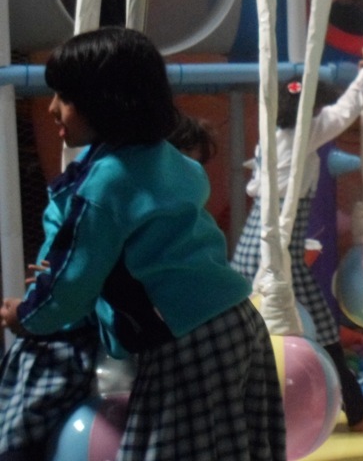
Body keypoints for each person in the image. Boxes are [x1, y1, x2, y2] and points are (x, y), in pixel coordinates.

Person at [0, 26, 285, 461]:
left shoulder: (104, 184)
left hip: (186, 340)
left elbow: (72, 286)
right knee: (236, 447)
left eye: (65, 98)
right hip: (238, 323)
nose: (53, 108)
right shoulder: (167, 157)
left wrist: (26, 315)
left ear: (106, 103)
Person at [231, 45, 363, 433]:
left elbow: (258, 187)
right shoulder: (304, 132)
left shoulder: (272, 135)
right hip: (277, 253)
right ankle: (357, 411)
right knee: (321, 329)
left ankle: (250, 412)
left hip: (256, 246)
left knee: (255, 331)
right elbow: (346, 111)